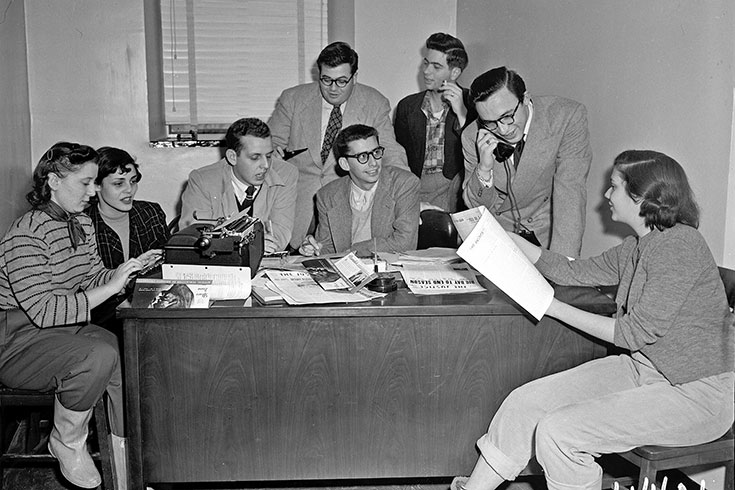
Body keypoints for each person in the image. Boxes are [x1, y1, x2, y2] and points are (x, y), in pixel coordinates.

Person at [452, 150, 734, 490]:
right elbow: (572, 270)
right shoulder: (639, 246)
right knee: (524, 403)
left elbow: (632, 333)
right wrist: (504, 239)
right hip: (645, 370)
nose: (606, 195)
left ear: (642, 197)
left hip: (698, 395)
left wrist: (552, 306)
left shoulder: (680, 246)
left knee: (560, 433)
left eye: (614, 187)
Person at [0, 142, 160, 489]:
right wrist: (111, 283)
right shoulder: (26, 234)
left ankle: (125, 459)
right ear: (54, 181)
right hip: (16, 340)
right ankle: (67, 440)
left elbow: (91, 277)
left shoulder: (80, 223)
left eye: (93, 183)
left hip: (62, 330)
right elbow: (44, 311)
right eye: (85, 183)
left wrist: (125, 272)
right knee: (98, 353)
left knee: (121, 348)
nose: (92, 191)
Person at [268, 41, 409, 250]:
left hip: (343, 207)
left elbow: (391, 152)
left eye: (342, 81)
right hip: (298, 204)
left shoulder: (374, 102)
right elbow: (268, 145)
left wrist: (406, 195)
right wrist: (273, 153)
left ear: (355, 77)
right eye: (326, 80)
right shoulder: (293, 99)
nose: (333, 88)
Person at [462, 66, 592, 256]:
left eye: (507, 116)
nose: (503, 130)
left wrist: (564, 265)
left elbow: (570, 195)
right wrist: (483, 169)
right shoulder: (472, 136)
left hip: (546, 238)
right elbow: (476, 209)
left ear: (525, 98)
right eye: (490, 122)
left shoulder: (566, 117)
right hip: (499, 241)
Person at [179, 117, 298, 254]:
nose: (266, 165)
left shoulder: (287, 174)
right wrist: (251, 246)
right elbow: (193, 239)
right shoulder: (202, 180)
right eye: (255, 157)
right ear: (232, 157)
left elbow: (280, 236)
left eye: (269, 156)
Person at [299, 124, 419, 256]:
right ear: (345, 164)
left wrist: (352, 252)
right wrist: (314, 248)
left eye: (376, 152)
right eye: (363, 157)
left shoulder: (404, 183)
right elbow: (328, 247)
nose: (373, 163)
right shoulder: (327, 195)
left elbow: (405, 243)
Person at [85, 146, 169, 328]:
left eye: (133, 181)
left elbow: (167, 270)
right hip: (100, 315)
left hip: (150, 305)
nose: (129, 190)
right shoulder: (83, 224)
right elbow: (85, 288)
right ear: (96, 185)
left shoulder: (150, 213)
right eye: (118, 183)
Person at [395, 32, 476, 213]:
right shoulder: (407, 107)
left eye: (436, 66)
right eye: (426, 63)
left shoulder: (473, 103)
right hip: (414, 187)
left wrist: (461, 113)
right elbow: (397, 157)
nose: (426, 71)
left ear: (454, 72)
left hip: (454, 190)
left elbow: (477, 155)